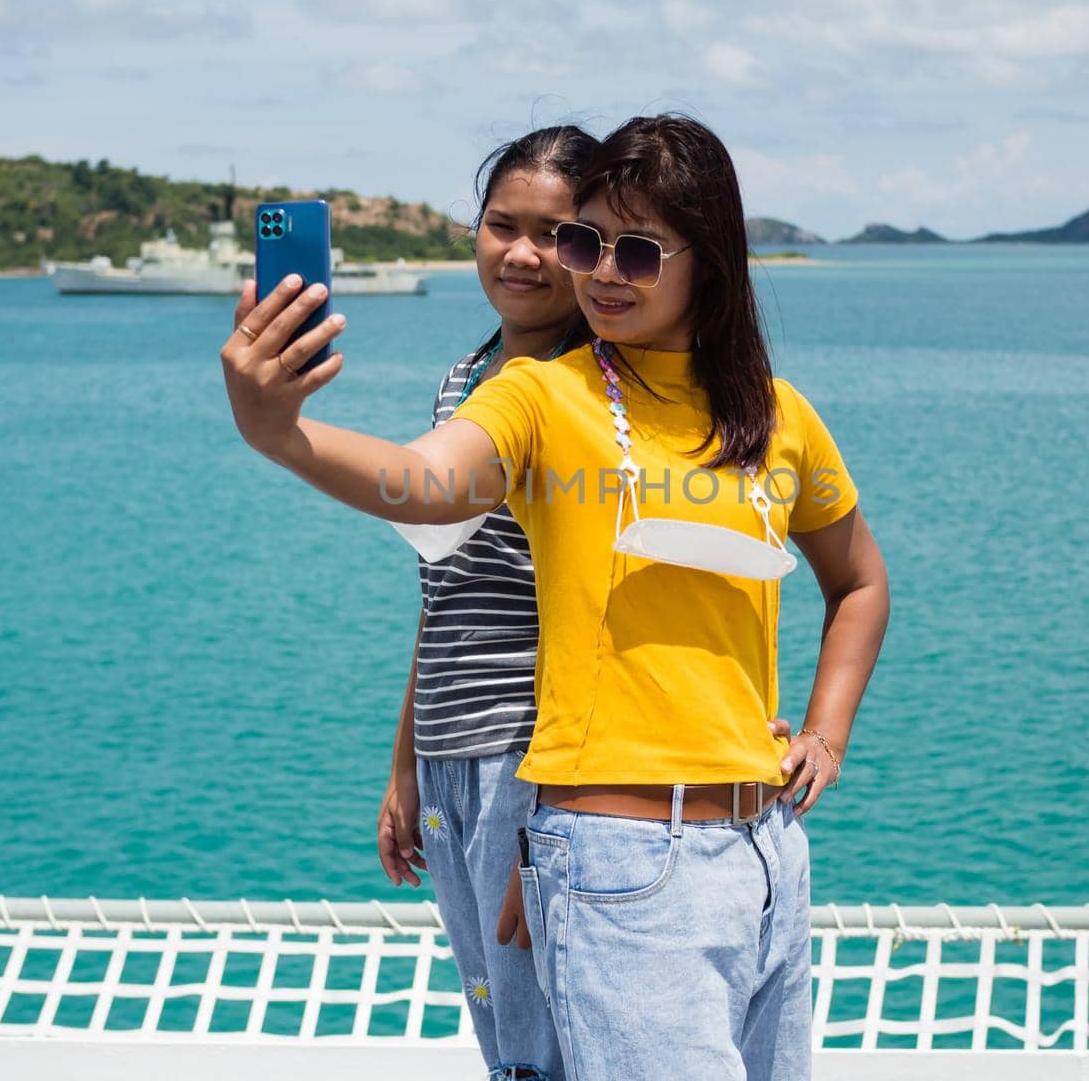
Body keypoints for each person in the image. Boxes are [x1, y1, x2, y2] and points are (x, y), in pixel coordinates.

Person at [222, 114, 889, 1079]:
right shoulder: (540, 394)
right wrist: (280, 432)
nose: (602, 271)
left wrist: (827, 732)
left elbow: (860, 578)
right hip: (612, 844)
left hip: (763, 851)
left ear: (715, 260)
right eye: (589, 243)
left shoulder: (778, 417)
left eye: (638, 251)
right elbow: (424, 488)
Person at [376, 124, 597, 1081]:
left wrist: (560, 804)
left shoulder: (589, 393)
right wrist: (404, 765)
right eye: (500, 224)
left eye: (553, 232)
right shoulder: (463, 382)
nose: (520, 252)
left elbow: (597, 614)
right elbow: (442, 589)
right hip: (450, 750)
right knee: (500, 1035)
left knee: (548, 1031)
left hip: (532, 755)